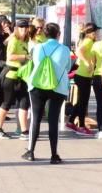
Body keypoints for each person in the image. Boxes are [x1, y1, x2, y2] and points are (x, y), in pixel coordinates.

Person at [22, 22, 71, 164]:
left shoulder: (37, 48)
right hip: (57, 88)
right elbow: (67, 68)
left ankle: (30, 151)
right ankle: (54, 154)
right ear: (58, 34)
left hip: (37, 86)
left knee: (35, 119)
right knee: (53, 120)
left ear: (44, 33)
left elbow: (34, 63)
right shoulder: (65, 50)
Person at [0, 20, 31, 139]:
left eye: (25, 27)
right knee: (6, 103)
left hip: (22, 76)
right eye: (21, 27)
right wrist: (25, 57)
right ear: (17, 28)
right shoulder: (14, 40)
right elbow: (10, 56)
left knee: (24, 103)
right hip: (10, 75)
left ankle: (24, 131)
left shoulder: (25, 41)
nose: (24, 29)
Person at [66, 23, 96, 136]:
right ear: (91, 33)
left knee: (82, 101)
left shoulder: (87, 40)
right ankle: (81, 126)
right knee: (83, 102)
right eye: (95, 32)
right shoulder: (88, 41)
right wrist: (87, 62)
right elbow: (79, 52)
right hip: (83, 75)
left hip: (84, 75)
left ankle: (71, 122)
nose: (96, 34)